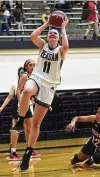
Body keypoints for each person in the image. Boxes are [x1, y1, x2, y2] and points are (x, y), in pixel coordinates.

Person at [11, 17, 69, 171]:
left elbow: (66, 45)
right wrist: (47, 24)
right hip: (37, 78)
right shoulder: (42, 45)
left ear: (57, 38)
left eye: (54, 34)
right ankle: (20, 119)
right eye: (50, 33)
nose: (52, 35)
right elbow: (32, 36)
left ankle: (27, 154)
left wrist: (62, 28)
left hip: (49, 86)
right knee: (27, 90)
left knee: (36, 124)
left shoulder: (60, 51)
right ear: (47, 35)